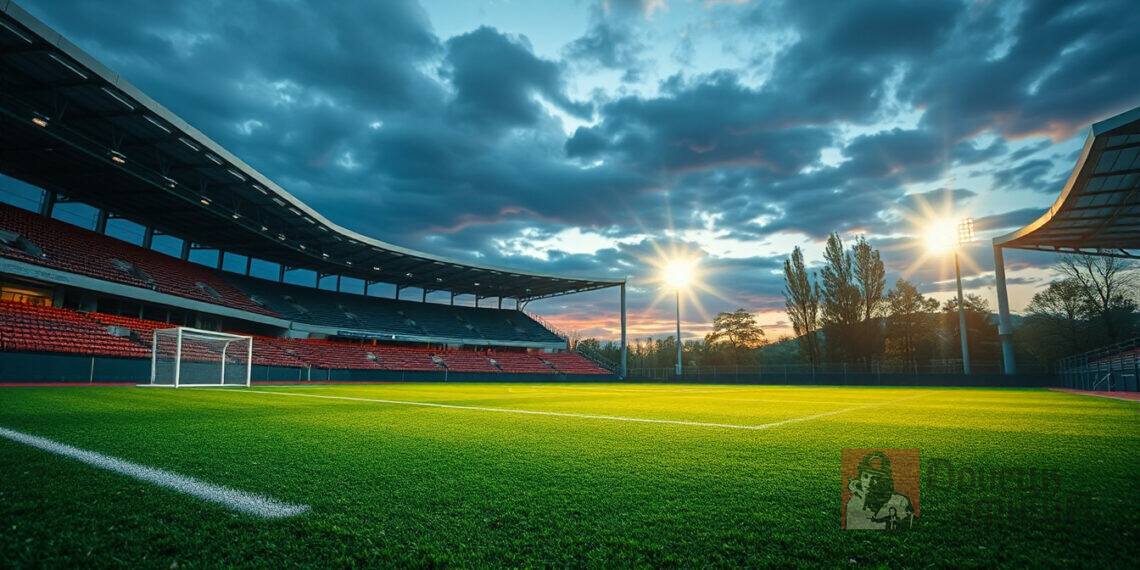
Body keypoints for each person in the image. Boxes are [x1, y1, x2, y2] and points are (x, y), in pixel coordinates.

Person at [845, 451, 914, 529]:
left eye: (875, 478)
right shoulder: (854, 502)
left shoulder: (900, 502)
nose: (869, 483)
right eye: (865, 476)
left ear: (884, 481)